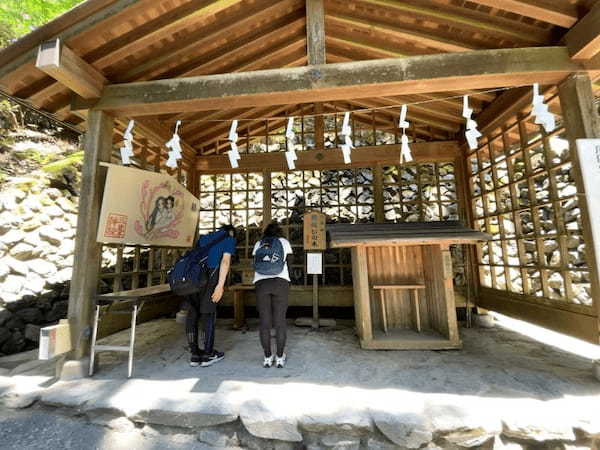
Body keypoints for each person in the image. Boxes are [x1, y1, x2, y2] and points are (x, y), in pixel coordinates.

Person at [187, 225, 236, 367]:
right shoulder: (229, 239)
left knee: (193, 314)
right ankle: (208, 354)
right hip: (210, 277)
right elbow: (225, 261)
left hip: (193, 279)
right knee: (208, 314)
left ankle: (195, 355)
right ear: (231, 232)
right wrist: (220, 286)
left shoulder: (204, 238)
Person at [252, 222, 293, 368]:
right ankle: (280, 357)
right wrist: (290, 280)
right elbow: (290, 262)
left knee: (265, 322)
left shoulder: (259, 244)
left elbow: (255, 264)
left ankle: (267, 357)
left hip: (261, 283)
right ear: (279, 232)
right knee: (280, 322)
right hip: (280, 282)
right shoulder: (283, 242)